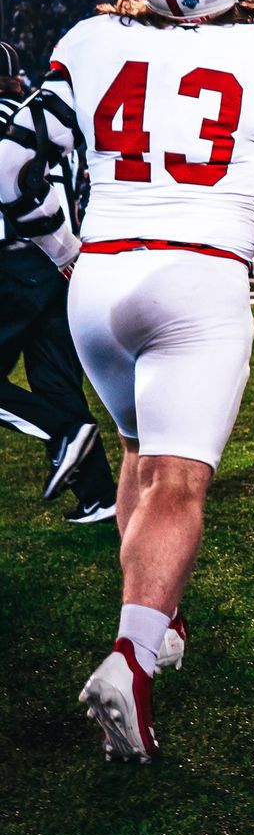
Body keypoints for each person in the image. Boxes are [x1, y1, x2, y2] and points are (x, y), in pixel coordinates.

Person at [36, 0, 254, 762]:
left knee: (137, 453)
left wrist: (66, 248)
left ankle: (155, 625)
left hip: (99, 277)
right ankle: (130, 660)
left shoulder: (86, 42)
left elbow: (16, 172)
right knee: (178, 483)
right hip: (197, 276)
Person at [0, 42, 117, 523]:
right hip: (53, 263)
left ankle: (63, 431)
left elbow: (13, 182)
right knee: (55, 380)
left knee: (57, 403)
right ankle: (98, 496)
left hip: (12, 259)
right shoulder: (41, 119)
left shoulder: (14, 127)